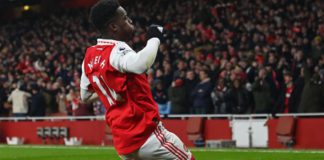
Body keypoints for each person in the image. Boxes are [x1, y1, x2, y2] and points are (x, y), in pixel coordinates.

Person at [80, 0, 194, 159]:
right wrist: (154, 37)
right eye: (125, 18)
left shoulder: (89, 56)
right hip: (146, 133)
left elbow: (85, 97)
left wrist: (110, 90)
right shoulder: (117, 50)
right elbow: (142, 64)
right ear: (114, 27)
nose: (130, 21)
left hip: (123, 141)